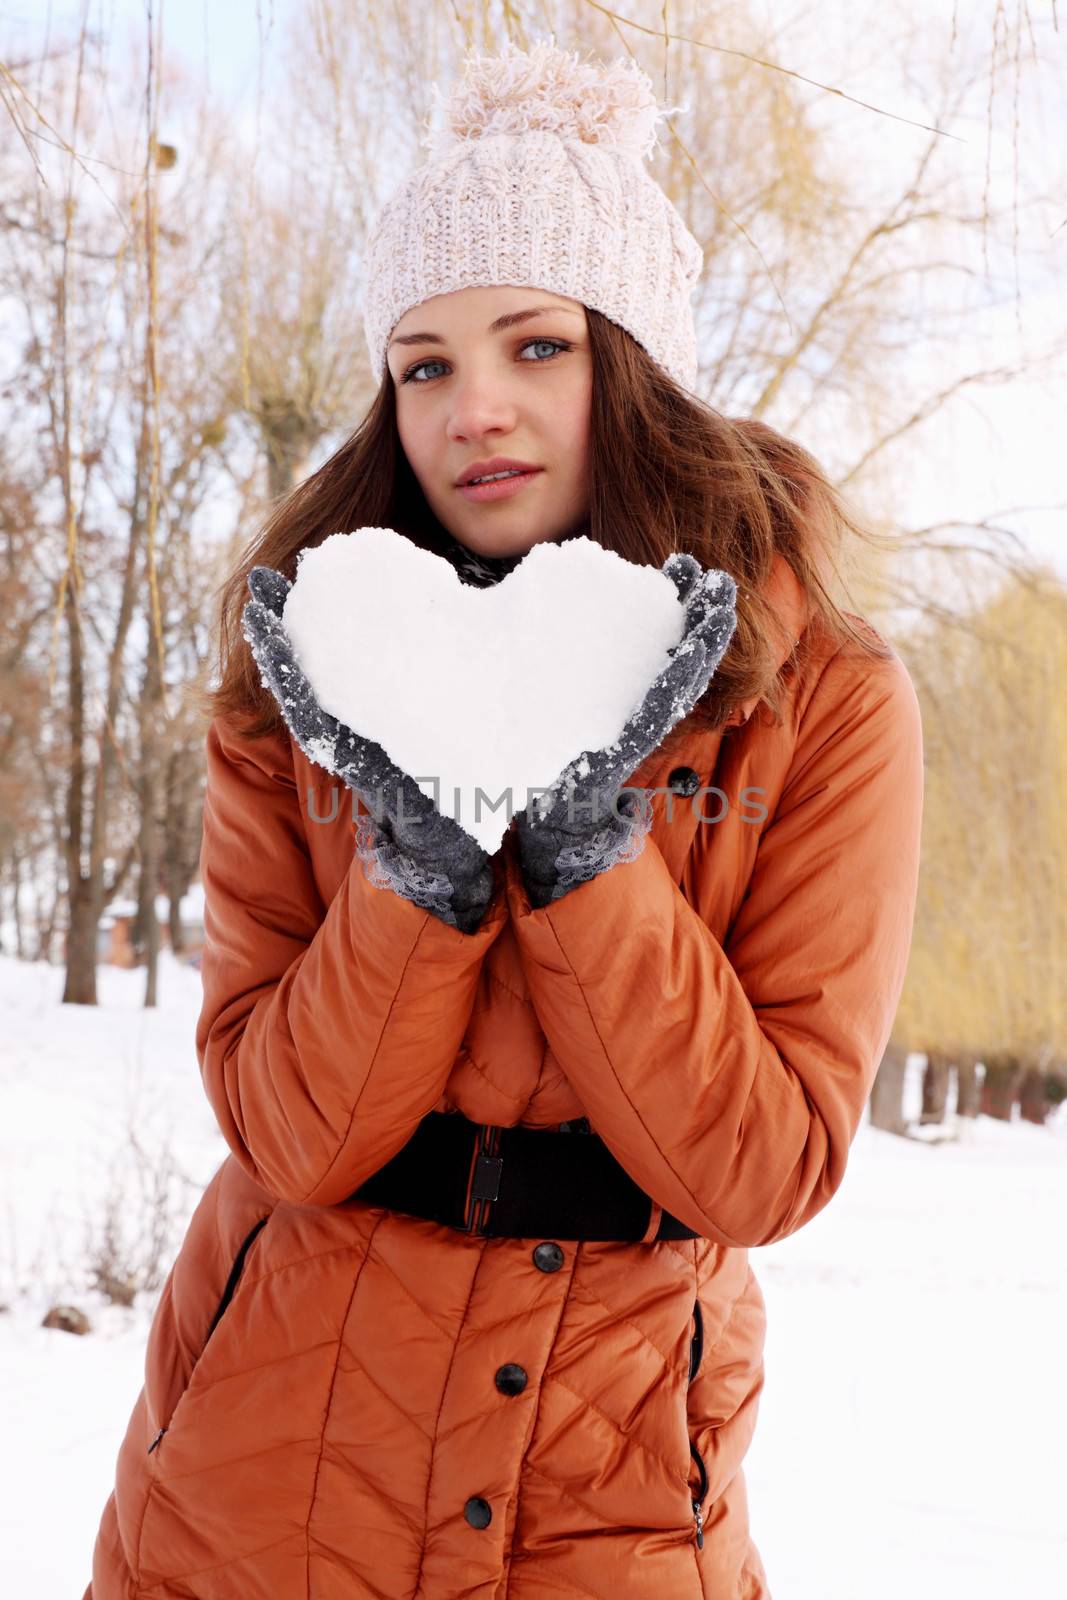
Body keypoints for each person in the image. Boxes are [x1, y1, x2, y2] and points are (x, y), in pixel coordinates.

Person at [84, 38, 924, 1600]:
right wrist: (415, 875)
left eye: (536, 344)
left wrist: (593, 856)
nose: (474, 408)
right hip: (268, 1458)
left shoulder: (826, 698)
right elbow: (284, 1128)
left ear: (637, 358)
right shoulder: (298, 679)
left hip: (607, 1471)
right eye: (425, 363)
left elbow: (764, 1166)